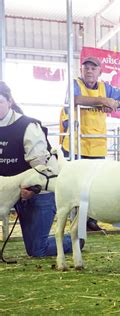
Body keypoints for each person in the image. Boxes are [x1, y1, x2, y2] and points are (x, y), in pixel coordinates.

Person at [0, 81, 75, 257]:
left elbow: (42, 169)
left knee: (37, 249)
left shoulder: (27, 126)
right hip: (8, 191)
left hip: (37, 190)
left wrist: (34, 189)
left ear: (9, 101)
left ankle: (73, 239)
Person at [61, 56, 120, 231]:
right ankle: (74, 219)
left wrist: (114, 103)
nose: (90, 71)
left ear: (100, 71)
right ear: (81, 70)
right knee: (75, 183)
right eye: (86, 68)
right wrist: (101, 100)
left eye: (93, 68)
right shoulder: (75, 84)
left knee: (94, 184)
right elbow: (74, 100)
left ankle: (91, 220)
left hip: (97, 143)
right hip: (77, 143)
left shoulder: (105, 88)